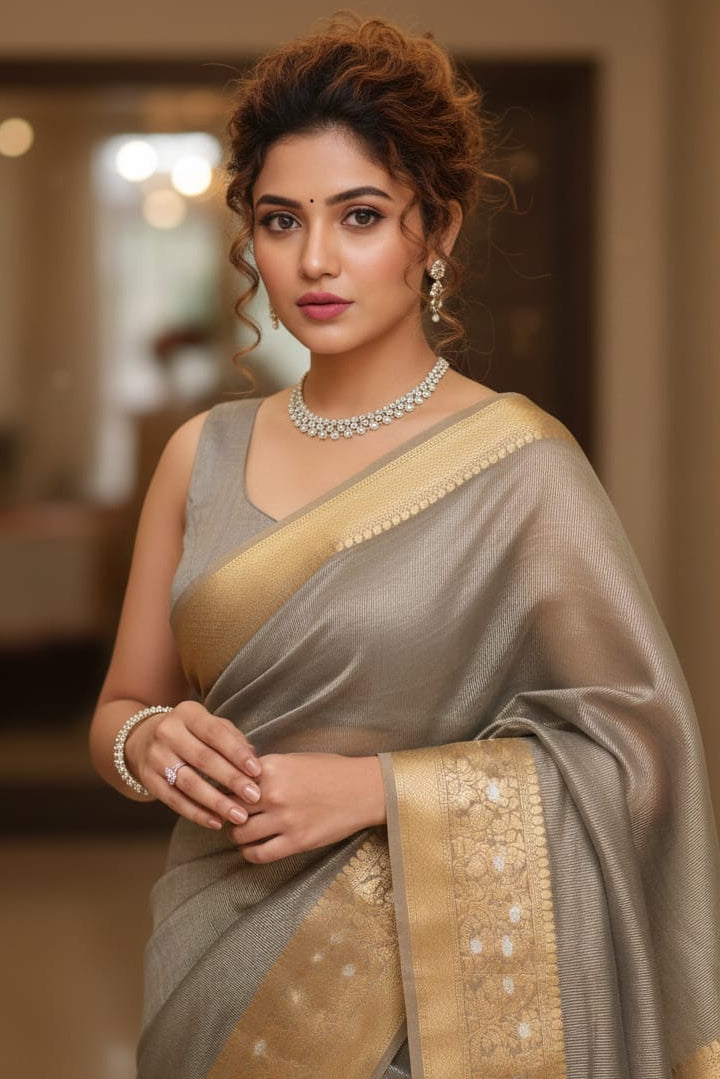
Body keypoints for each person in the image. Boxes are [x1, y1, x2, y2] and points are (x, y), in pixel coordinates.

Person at [89, 14, 720, 1078]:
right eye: (281, 220)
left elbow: (638, 754)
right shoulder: (199, 454)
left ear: (439, 232)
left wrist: (381, 790)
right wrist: (146, 742)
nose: (316, 259)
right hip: (210, 970)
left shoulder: (520, 466)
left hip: (414, 1012)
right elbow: (120, 706)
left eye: (362, 215)